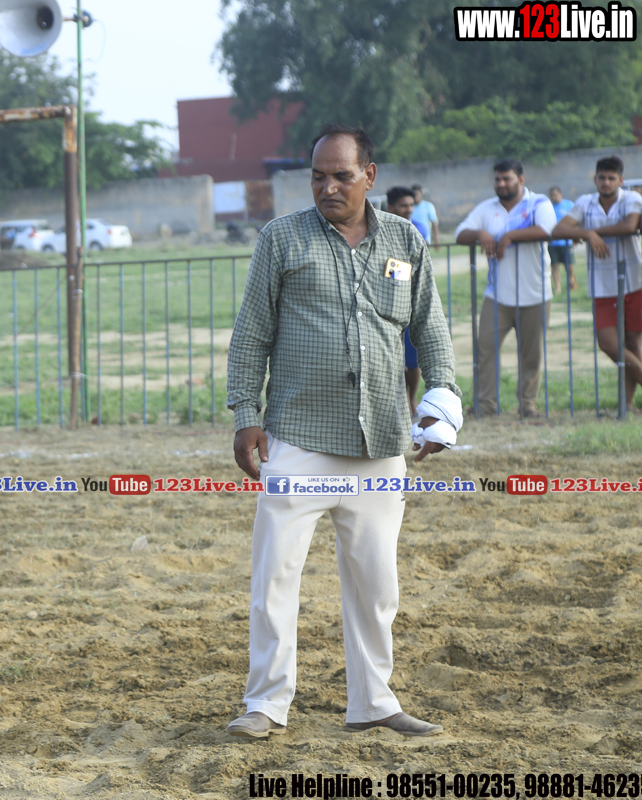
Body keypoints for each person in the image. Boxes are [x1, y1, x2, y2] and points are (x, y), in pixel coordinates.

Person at [226, 124, 462, 741]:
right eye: (318, 176)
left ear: (370, 176)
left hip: (380, 442)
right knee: (275, 578)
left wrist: (442, 402)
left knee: (377, 584)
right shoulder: (281, 239)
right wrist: (245, 414)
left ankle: (375, 702)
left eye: (341, 175)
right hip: (296, 438)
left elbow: (431, 328)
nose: (328, 187)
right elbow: (251, 333)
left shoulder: (406, 241)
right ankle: (265, 704)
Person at [553, 156, 642, 410]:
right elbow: (558, 230)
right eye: (602, 177)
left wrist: (591, 233)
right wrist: (587, 233)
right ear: (595, 179)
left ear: (621, 180)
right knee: (608, 344)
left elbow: (630, 225)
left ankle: (627, 405)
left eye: (612, 178)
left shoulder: (631, 198)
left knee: (633, 344)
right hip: (601, 284)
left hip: (634, 280)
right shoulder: (585, 202)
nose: (606, 182)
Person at [455, 159, 556, 419]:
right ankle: (486, 405)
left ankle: (528, 405)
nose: (501, 184)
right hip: (497, 295)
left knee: (531, 355)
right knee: (485, 350)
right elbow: (460, 233)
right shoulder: (487, 208)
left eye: (506, 179)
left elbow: (546, 230)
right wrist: (480, 234)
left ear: (520, 179)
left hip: (535, 293)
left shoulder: (538, 203)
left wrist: (509, 236)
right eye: (497, 179)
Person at [386, 187, 425, 418]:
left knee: (412, 360)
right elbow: (389, 270)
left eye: (411, 205)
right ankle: (398, 402)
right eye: (403, 205)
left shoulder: (417, 229)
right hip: (387, 305)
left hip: (411, 303)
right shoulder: (383, 232)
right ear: (391, 208)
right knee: (392, 359)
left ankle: (412, 399)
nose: (409, 209)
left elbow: (421, 267)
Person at [547, 186, 578, 295]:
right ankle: (557, 287)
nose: (554, 197)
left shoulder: (569, 205)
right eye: (552, 195)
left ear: (560, 194)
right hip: (553, 242)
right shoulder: (549, 207)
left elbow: (576, 221)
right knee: (554, 265)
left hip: (566, 241)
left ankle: (571, 282)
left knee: (569, 265)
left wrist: (574, 235)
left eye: (555, 194)